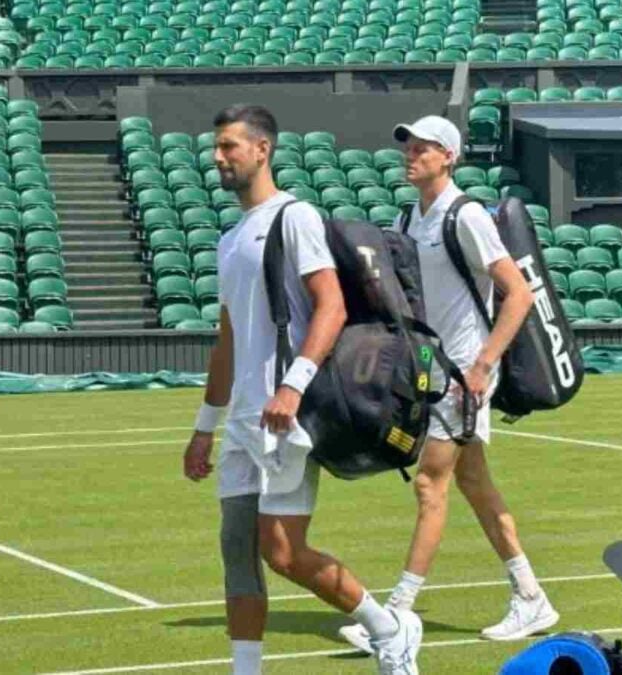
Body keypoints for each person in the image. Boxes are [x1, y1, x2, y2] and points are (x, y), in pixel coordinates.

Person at [183, 104, 423, 675]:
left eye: (229, 147)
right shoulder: (229, 238)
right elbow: (228, 340)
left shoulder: (295, 217)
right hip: (243, 419)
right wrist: (203, 427)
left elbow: (331, 305)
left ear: (261, 149)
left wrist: (292, 387)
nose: (218, 158)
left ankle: (388, 631)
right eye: (217, 148)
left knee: (284, 552)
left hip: (283, 419)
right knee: (236, 553)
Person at [339, 115, 559, 652]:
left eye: (424, 147)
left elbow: (519, 294)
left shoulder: (466, 216)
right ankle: (531, 596)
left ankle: (395, 616)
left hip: (465, 373)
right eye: (409, 146)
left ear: (450, 157)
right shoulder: (408, 216)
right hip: (432, 370)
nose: (411, 153)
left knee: (428, 484)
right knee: (474, 485)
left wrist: (483, 366)